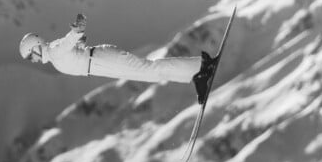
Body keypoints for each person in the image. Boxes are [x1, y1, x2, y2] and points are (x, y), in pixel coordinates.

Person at [19, 13, 218, 104]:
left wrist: (76, 32)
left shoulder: (54, 52)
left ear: (36, 47)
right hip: (100, 63)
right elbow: (72, 49)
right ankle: (197, 73)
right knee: (151, 74)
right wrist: (78, 40)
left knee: (151, 70)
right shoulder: (54, 54)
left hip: (102, 60)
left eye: (30, 56)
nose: (32, 60)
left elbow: (68, 43)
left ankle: (202, 67)